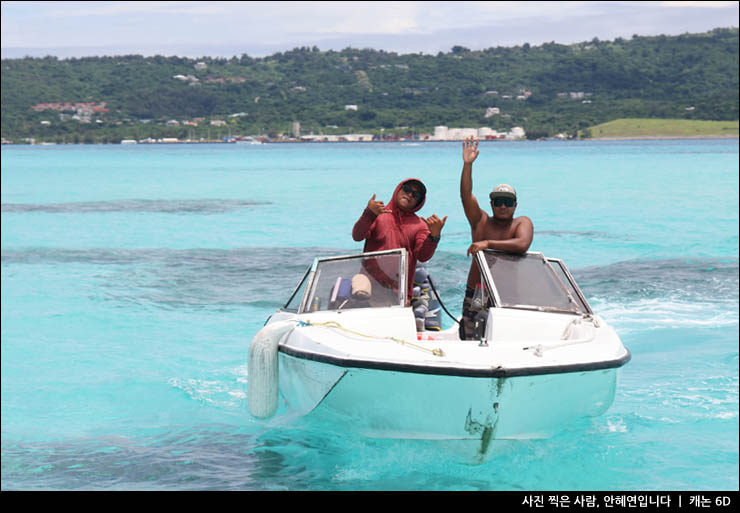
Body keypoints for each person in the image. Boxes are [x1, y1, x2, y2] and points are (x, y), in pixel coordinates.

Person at [459, 137, 533, 339]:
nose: (502, 206)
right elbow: (466, 195)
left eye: (507, 202)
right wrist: (467, 165)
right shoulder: (480, 221)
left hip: (507, 294)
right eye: (498, 201)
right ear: (491, 204)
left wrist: (487, 244)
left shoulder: (521, 223)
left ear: (515, 205)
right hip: (478, 293)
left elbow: (522, 244)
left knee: (508, 338)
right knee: (471, 337)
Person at [352, 178, 447, 305]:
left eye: (415, 195)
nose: (409, 195)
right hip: (369, 286)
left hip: (398, 293)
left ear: (419, 202)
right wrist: (368, 214)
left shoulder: (420, 225)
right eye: (407, 189)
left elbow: (423, 256)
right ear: (398, 189)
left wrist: (434, 237)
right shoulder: (378, 214)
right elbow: (357, 236)